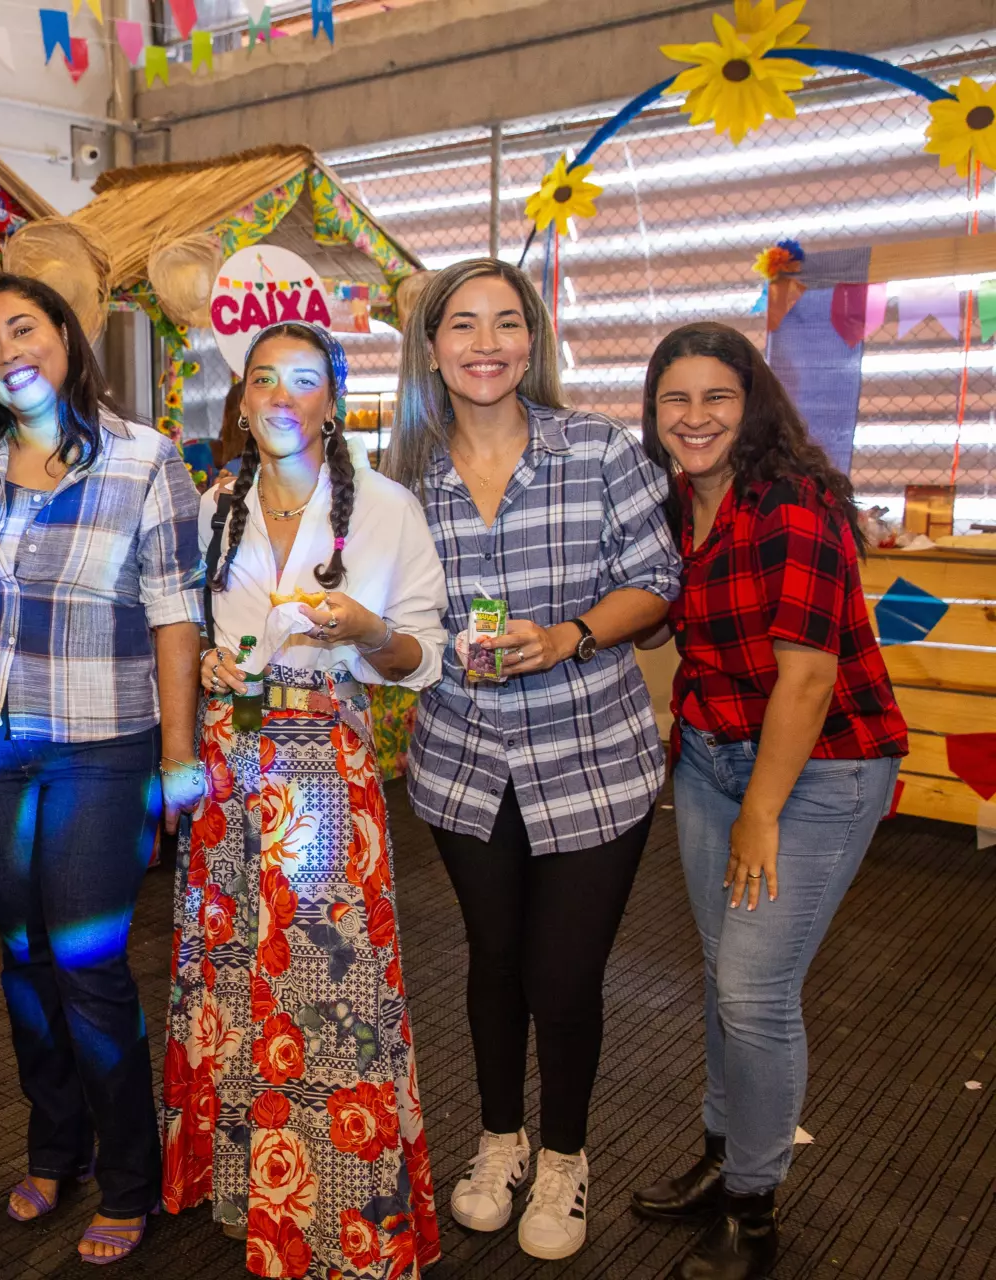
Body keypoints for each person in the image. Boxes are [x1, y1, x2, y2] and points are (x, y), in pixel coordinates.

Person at [381, 258, 682, 1261]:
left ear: (533, 339)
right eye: (462, 325)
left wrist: (569, 635)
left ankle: (563, 1156)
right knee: (495, 961)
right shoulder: (400, 481)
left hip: (591, 758)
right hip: (463, 760)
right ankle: (499, 1140)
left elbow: (657, 579)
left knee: (564, 971)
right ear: (432, 348)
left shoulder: (597, 449)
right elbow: (389, 621)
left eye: (506, 322)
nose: (486, 343)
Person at [162, 321, 446, 1278]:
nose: (282, 396)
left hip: (325, 771)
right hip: (231, 760)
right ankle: (248, 1193)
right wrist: (213, 664)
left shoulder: (387, 508)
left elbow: (419, 658)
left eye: (305, 380)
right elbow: (200, 631)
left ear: (333, 402)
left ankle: (340, 1220)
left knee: (328, 987)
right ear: (242, 402)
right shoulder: (217, 504)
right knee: (232, 970)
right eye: (264, 380)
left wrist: (366, 629)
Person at [631, 323, 906, 1280]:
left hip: (819, 767)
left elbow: (809, 679)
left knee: (755, 991)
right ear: (653, 411)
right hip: (710, 755)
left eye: (717, 396)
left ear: (752, 405)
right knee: (725, 977)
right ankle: (723, 1157)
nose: (695, 417)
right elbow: (666, 628)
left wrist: (760, 813)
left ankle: (753, 1209)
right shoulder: (677, 501)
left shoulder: (792, 504)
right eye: (675, 399)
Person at [0, 273, 205, 1266]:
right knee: (22, 956)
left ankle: (130, 1176)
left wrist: (177, 757)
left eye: (24, 327)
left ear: (64, 334)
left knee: (87, 962)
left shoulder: (145, 459)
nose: (7, 350)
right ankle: (56, 1146)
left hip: (101, 746)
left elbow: (176, 615)